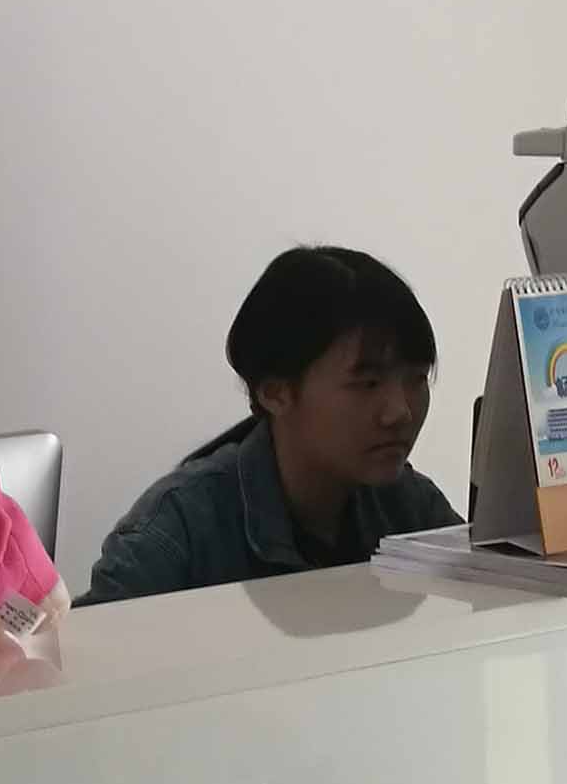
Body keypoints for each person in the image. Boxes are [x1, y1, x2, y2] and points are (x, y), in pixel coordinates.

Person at [86, 246, 455, 604]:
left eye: (416, 379)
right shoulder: (178, 530)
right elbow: (89, 643)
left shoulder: (411, 507)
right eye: (368, 384)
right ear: (275, 393)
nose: (400, 412)